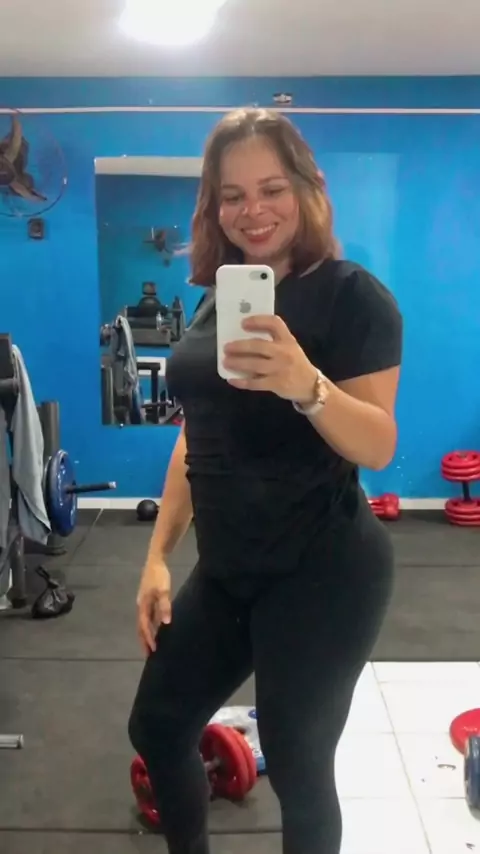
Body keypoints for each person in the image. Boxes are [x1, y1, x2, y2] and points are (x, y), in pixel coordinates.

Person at [128, 108, 403, 854]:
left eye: (272, 188)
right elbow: (197, 436)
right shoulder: (222, 297)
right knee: (158, 724)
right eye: (232, 195)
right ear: (214, 206)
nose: (252, 210)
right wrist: (157, 556)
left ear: (308, 189)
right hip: (229, 565)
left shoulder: (353, 296)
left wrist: (305, 384)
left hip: (324, 568)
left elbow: (379, 442)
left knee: (298, 762)